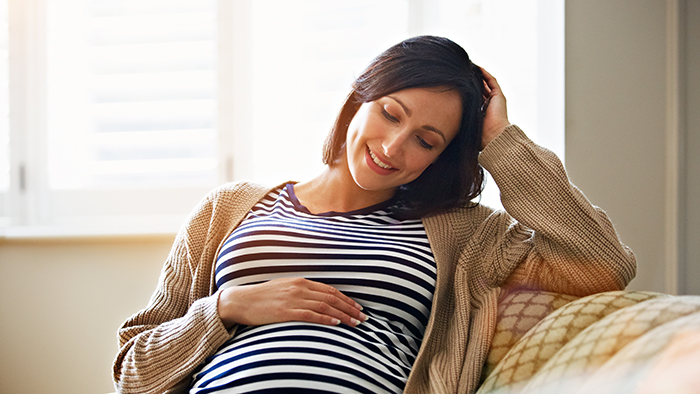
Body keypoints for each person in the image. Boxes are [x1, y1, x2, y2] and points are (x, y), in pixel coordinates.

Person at [112, 36, 636, 394]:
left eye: (426, 141)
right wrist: (227, 306)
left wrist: (500, 142)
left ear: (441, 156)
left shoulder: (465, 233)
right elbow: (132, 372)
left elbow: (602, 264)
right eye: (390, 113)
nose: (392, 146)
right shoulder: (229, 209)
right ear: (359, 98)